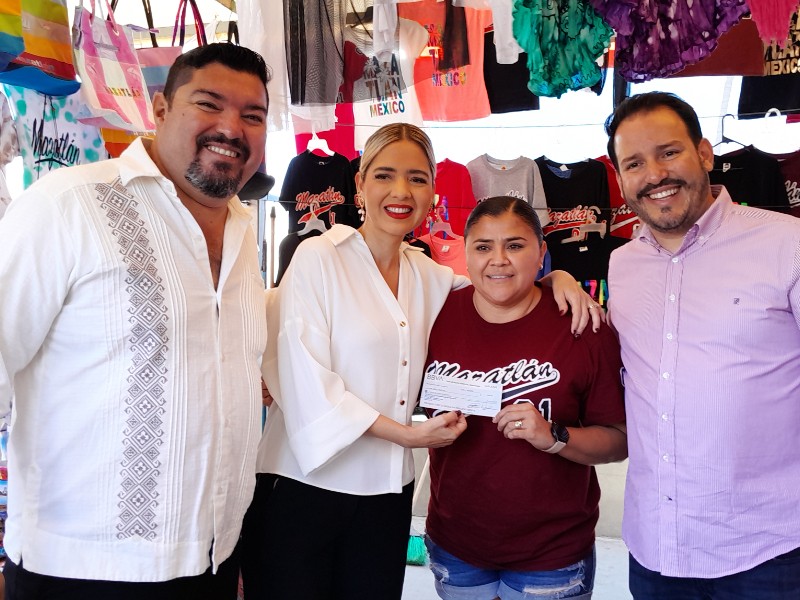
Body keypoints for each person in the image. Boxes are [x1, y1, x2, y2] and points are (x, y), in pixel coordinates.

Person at [240, 124, 602, 600]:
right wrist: (409, 435)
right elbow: (307, 382)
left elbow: (497, 283)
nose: (401, 191)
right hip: (304, 487)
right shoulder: (319, 257)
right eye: (385, 175)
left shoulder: (428, 275)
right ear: (360, 185)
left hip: (387, 494)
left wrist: (558, 276)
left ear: (433, 190)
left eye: (417, 178)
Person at [0, 43, 271, 600]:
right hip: (80, 571)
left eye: (252, 115)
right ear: (161, 108)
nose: (231, 128)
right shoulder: (67, 207)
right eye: (209, 104)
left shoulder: (246, 233)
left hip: (212, 562)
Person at [605, 91, 800, 599]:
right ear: (621, 178)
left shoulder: (786, 245)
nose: (655, 174)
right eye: (634, 163)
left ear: (706, 154)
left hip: (768, 550)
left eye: (669, 152)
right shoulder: (621, 266)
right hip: (657, 548)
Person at [422, 196, 627, 600]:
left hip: (551, 556)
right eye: (483, 247)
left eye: (515, 245)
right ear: (466, 253)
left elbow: (619, 440)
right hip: (456, 545)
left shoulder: (584, 326)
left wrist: (555, 436)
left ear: (541, 253)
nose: (498, 260)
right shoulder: (436, 315)